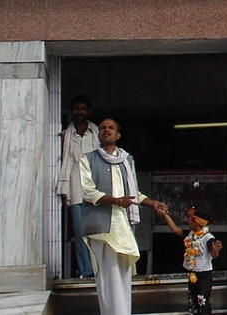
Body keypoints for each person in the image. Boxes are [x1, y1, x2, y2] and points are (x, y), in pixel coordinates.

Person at [80, 118, 168, 315]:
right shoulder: (88, 159)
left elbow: (133, 193)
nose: (106, 130)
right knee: (108, 277)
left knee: (123, 276)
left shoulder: (127, 160)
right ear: (98, 134)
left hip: (124, 226)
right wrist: (116, 201)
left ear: (118, 135)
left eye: (111, 128)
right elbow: (88, 192)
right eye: (102, 128)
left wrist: (153, 203)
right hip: (101, 227)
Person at [57, 94, 98, 278]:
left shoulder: (97, 132)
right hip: (74, 187)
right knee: (80, 232)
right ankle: (85, 270)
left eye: (82, 109)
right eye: (76, 109)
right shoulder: (66, 134)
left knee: (97, 231)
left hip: (94, 188)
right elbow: (65, 162)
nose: (79, 112)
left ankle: (98, 268)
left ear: (88, 112)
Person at [159, 206, 223, 315]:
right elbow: (174, 229)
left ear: (197, 221)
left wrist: (216, 250)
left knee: (202, 300)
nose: (187, 220)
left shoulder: (208, 237)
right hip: (193, 274)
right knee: (193, 301)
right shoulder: (190, 236)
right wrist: (165, 215)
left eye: (190, 218)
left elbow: (213, 254)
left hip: (204, 275)